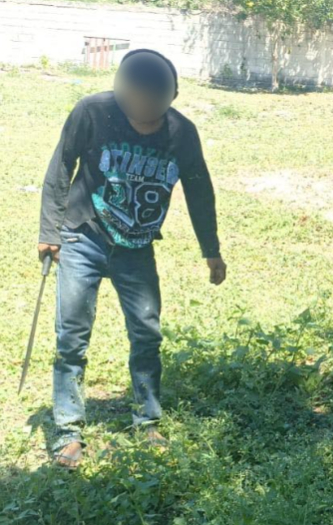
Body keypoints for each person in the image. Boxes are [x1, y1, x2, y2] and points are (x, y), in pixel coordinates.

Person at [37, 49, 226, 469]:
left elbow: (199, 189)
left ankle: (148, 422)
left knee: (146, 333)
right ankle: (68, 430)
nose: (143, 118)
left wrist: (210, 249)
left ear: (171, 98)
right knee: (71, 336)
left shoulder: (182, 133)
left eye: (153, 110)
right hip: (82, 235)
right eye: (135, 107)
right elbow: (60, 167)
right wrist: (50, 232)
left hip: (137, 246)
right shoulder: (92, 112)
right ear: (120, 93)